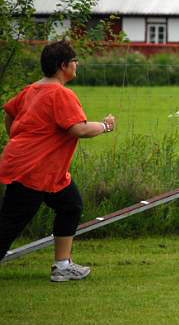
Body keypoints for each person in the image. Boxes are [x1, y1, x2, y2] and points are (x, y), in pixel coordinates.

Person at [0, 39, 115, 282]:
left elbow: (9, 114)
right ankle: (62, 265)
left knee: (70, 206)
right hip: (32, 170)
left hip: (48, 172)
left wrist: (19, 138)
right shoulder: (60, 94)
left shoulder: (32, 89)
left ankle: (62, 265)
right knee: (9, 224)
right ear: (63, 65)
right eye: (74, 61)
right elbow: (79, 130)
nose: (76, 64)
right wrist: (105, 126)